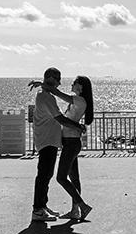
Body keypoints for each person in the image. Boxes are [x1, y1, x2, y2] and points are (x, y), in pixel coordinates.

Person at [28, 74, 93, 221]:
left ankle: (82, 206)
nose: (71, 85)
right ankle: (75, 211)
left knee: (61, 177)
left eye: (74, 83)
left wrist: (41, 84)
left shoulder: (79, 100)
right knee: (74, 178)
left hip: (71, 142)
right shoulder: (78, 101)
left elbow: (57, 94)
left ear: (81, 87)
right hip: (70, 141)